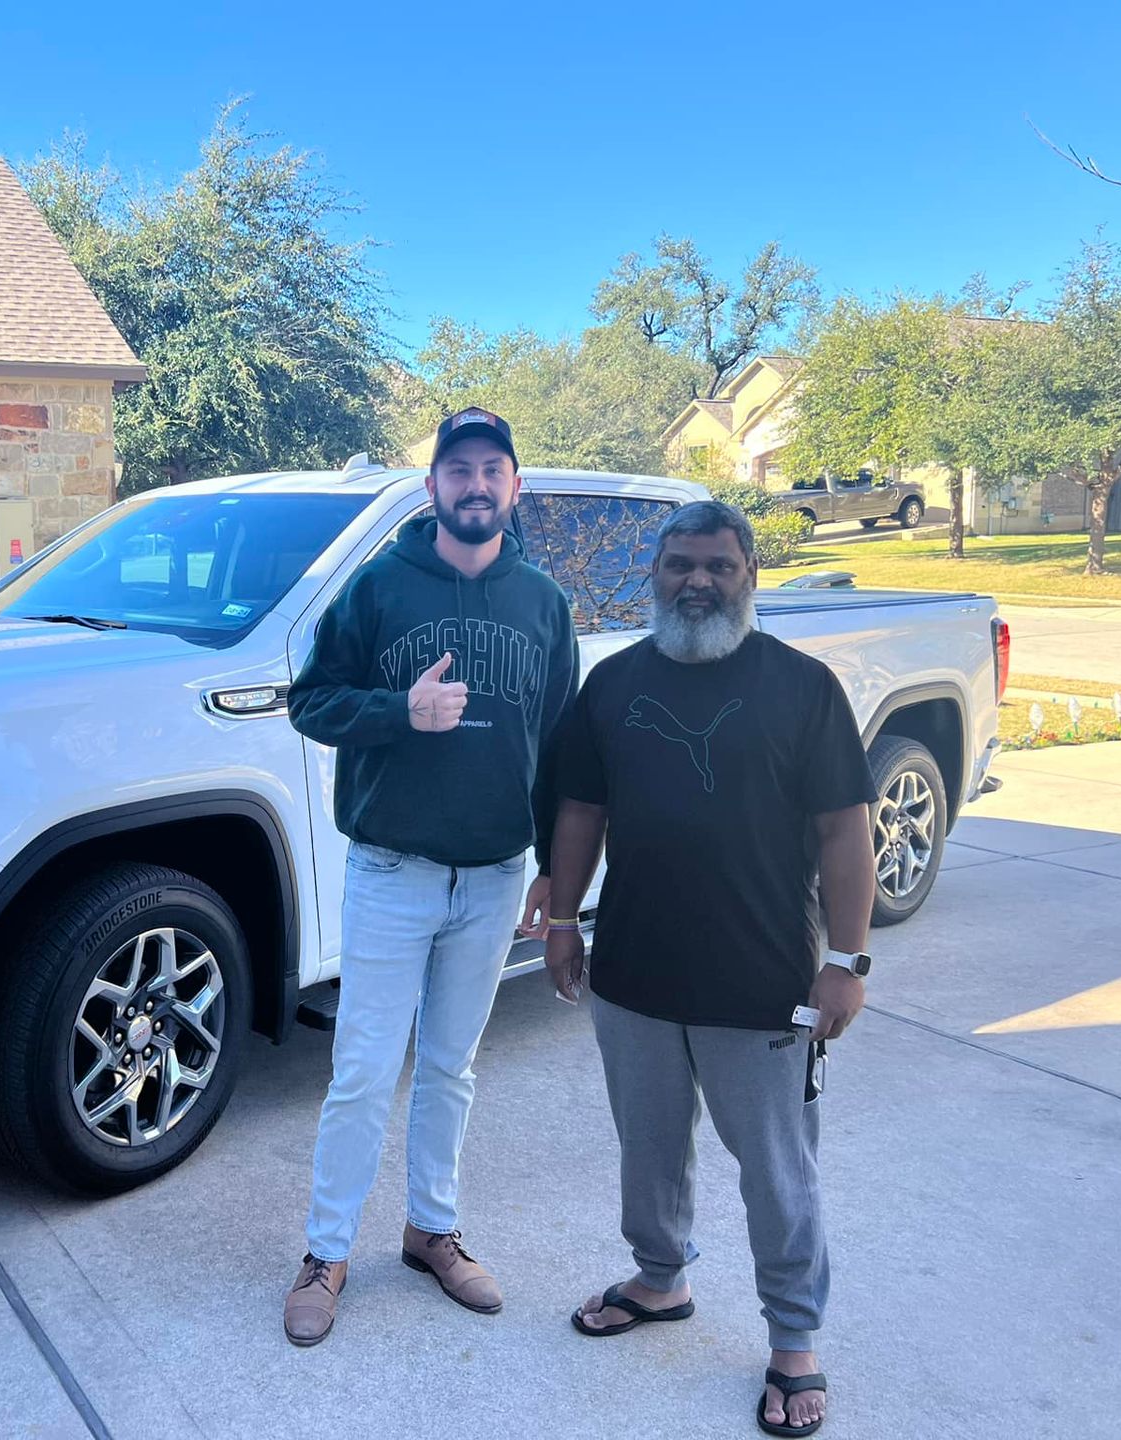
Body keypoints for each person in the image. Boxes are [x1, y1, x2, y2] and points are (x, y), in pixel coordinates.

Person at [540, 499, 877, 1437]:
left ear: (749, 576)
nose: (697, 581)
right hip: (634, 976)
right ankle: (660, 1278)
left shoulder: (803, 687)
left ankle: (795, 1342)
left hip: (761, 981)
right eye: (679, 564)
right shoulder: (612, 684)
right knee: (648, 1148)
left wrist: (845, 961)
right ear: (654, 574)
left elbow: (844, 829)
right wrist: (563, 920)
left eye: (718, 567)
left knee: (776, 1170)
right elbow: (579, 810)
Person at [280, 407, 579, 1347]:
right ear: (432, 489)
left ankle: (431, 1232)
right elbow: (311, 701)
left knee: (452, 1066)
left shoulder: (543, 603)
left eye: (495, 469)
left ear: (515, 488)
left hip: (493, 876)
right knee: (364, 1069)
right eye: (459, 470)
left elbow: (561, 750)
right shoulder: (378, 588)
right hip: (394, 869)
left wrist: (552, 878)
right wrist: (398, 711)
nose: (476, 484)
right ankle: (326, 1253)